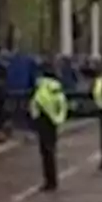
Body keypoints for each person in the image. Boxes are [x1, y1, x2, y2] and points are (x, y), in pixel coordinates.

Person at [28, 63, 68, 191]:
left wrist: (35, 117)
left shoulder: (42, 87)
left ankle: (49, 181)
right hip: (54, 121)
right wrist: (58, 118)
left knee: (46, 151)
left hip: (44, 120)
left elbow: (37, 102)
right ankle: (53, 180)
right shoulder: (57, 88)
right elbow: (62, 103)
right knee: (51, 149)